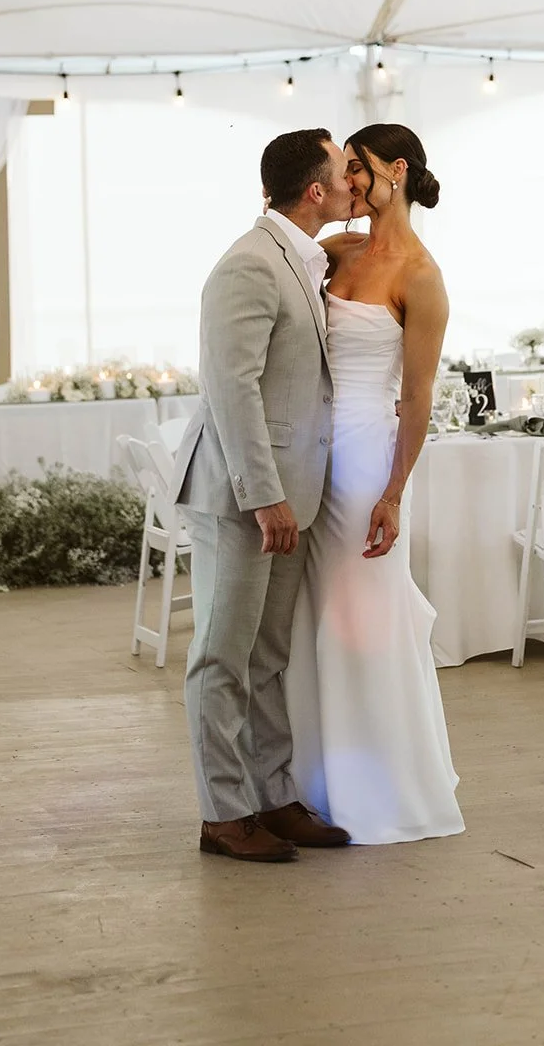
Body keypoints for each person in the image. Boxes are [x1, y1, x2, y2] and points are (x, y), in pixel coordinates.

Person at [170, 129, 355, 863]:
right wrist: (263, 495)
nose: (352, 183)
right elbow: (231, 391)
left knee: (269, 657)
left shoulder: (300, 261)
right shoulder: (247, 265)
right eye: (344, 172)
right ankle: (223, 814)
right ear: (315, 190)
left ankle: (273, 797)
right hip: (242, 498)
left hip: (292, 495)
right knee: (221, 657)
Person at [284, 122, 464, 844]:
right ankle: (310, 783)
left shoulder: (422, 277)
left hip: (365, 467)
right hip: (310, 456)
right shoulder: (335, 251)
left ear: (396, 169)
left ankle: (380, 788)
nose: (348, 183)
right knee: (313, 624)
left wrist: (392, 493)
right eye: (343, 170)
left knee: (364, 623)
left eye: (357, 169)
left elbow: (416, 400)